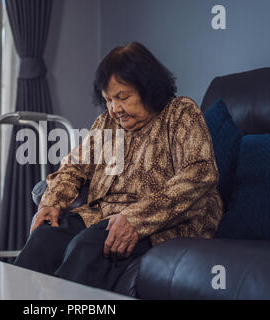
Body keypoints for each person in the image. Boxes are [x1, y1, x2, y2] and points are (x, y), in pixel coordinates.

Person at [14, 41, 223, 292]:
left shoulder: (180, 113)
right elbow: (74, 166)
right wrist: (52, 201)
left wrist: (135, 218)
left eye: (122, 97)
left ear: (148, 88)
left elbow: (199, 173)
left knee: (88, 246)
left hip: (167, 221)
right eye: (108, 100)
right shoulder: (106, 124)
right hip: (103, 216)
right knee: (44, 238)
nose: (115, 109)